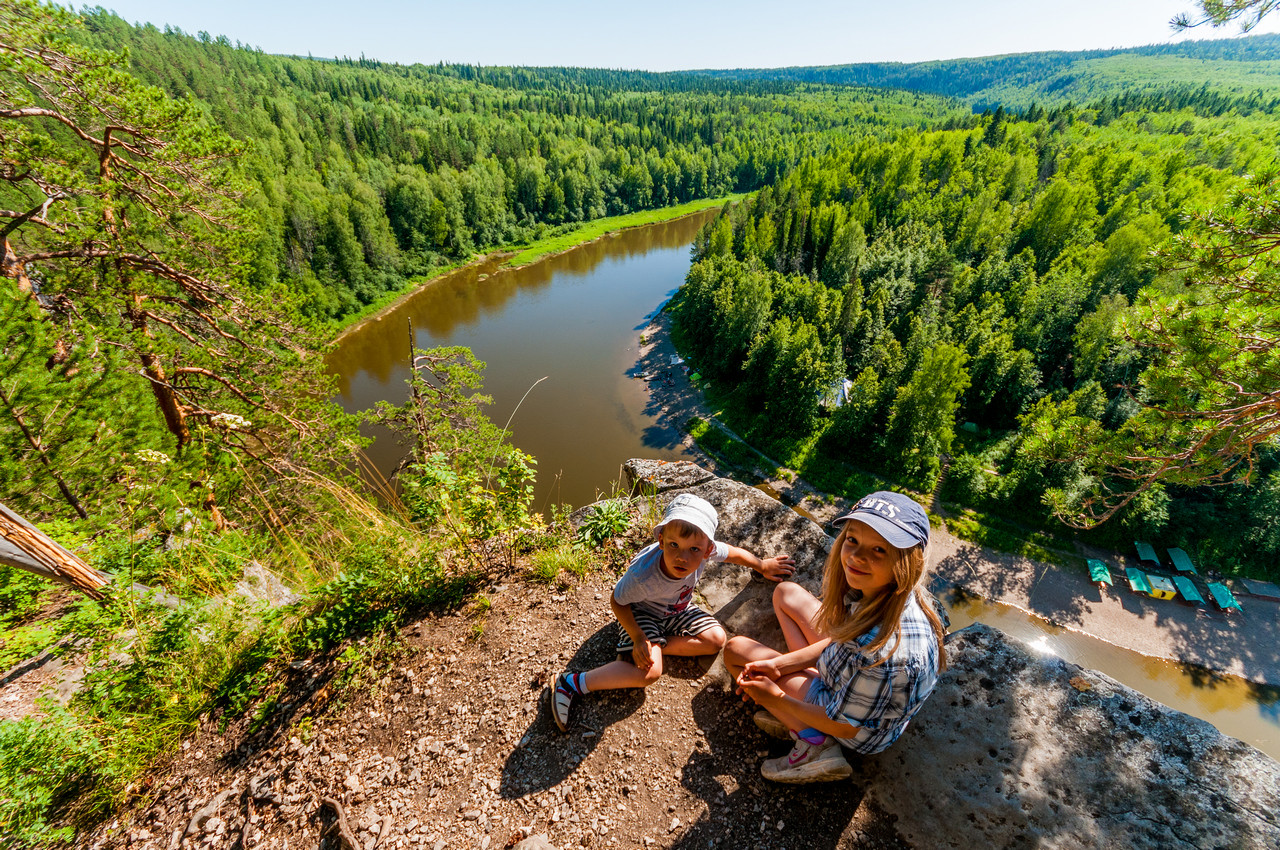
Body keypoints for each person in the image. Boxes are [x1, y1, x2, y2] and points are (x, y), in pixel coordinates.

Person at [723, 491, 948, 783]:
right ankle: (802, 706)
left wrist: (776, 697)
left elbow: (845, 726)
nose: (856, 556)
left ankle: (815, 744)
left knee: (735, 651)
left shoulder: (882, 655)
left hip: (853, 727)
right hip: (853, 683)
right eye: (852, 539)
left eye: (879, 550)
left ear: (906, 562)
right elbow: (841, 640)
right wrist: (780, 667)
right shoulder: (893, 594)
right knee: (785, 593)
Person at [552, 493, 796, 731]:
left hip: (677, 610)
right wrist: (638, 637)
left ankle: (652, 647)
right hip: (641, 614)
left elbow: (732, 553)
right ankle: (572, 683)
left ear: (708, 549)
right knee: (650, 673)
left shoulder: (707, 550)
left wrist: (763, 565)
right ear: (661, 540)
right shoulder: (642, 575)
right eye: (674, 545)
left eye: (694, 550)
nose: (682, 557)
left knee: (715, 640)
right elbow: (618, 602)